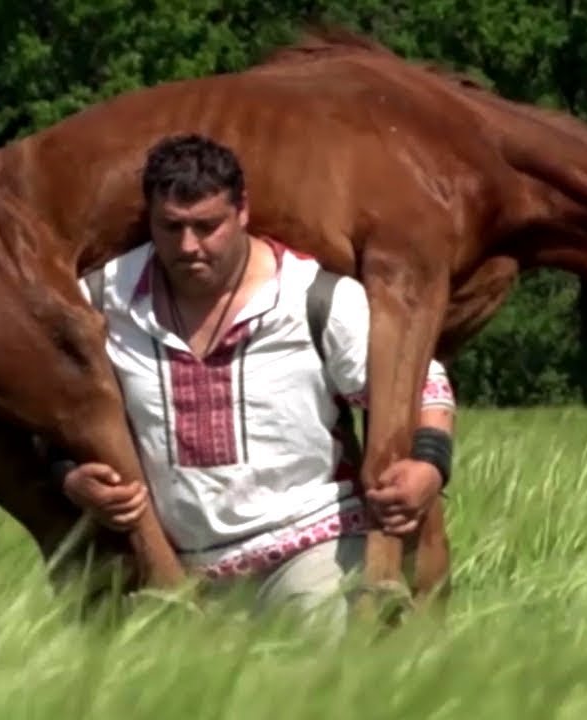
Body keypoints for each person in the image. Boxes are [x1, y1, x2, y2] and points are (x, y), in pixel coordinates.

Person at [62, 133, 456, 632]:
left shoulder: (315, 299)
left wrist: (430, 466)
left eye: (207, 227)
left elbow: (421, 388)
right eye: (171, 227)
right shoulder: (102, 300)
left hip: (314, 550)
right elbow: (51, 407)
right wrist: (68, 478)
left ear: (242, 211)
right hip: (171, 573)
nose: (188, 246)